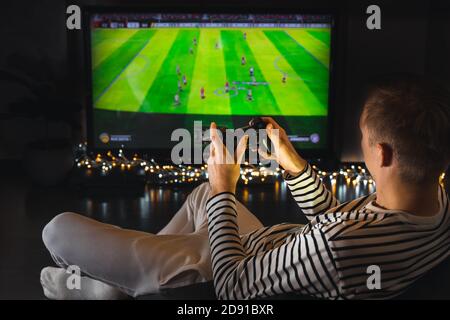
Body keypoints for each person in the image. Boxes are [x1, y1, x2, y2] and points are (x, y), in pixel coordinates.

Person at [40, 75, 450, 300]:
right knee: (201, 194)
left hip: (217, 270)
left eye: (362, 139)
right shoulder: (436, 201)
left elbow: (233, 289)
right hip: (273, 249)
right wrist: (295, 165)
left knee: (56, 229)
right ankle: (131, 286)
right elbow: (338, 223)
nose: (360, 147)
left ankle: (125, 289)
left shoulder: (337, 247)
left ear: (382, 154)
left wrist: (225, 190)